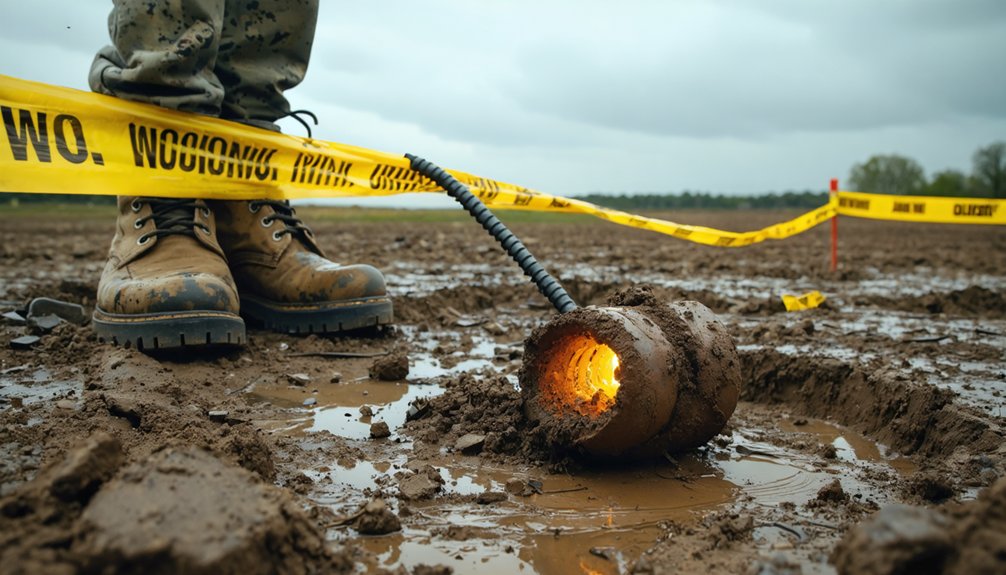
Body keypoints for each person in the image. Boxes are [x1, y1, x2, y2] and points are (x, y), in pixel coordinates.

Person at [87, 0, 393, 350]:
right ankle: (167, 204)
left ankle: (241, 233)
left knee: (262, 43)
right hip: (154, 130)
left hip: (247, 145)